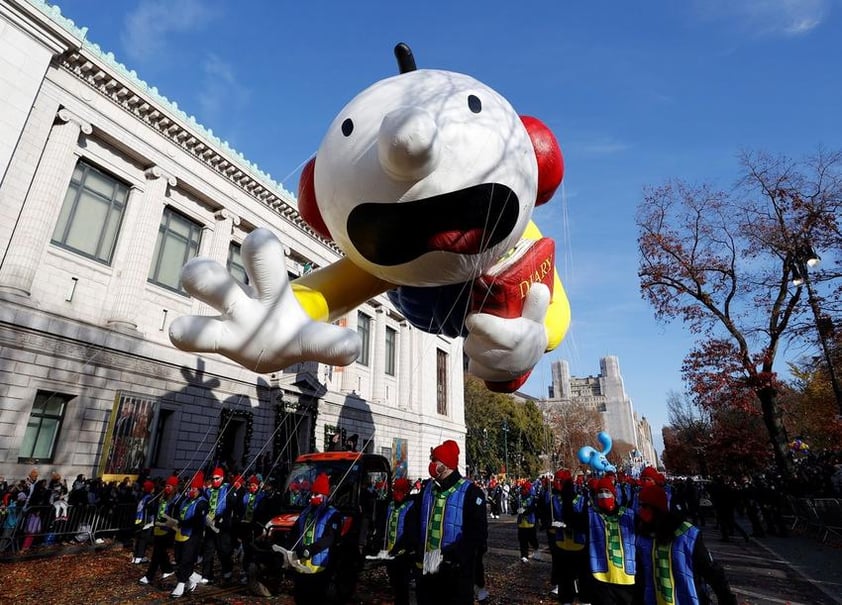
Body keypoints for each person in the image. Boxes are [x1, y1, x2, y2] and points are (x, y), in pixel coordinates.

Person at [635, 484, 738, 605]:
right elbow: (641, 576)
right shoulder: (643, 535)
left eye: (645, 506)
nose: (641, 511)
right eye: (640, 505)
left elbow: (711, 570)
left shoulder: (687, 535)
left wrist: (726, 598)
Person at [415, 439, 488, 605]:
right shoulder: (427, 489)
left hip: (455, 572)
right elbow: (415, 520)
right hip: (428, 565)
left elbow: (477, 534)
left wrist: (453, 557)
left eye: (434, 460)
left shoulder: (471, 492)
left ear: (445, 464)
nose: (431, 463)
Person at [288, 472, 343, 605]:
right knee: (300, 598)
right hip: (301, 567)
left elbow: (330, 538)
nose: (312, 497)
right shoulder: (305, 512)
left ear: (324, 496)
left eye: (316, 494)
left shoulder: (332, 515)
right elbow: (295, 532)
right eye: (312, 494)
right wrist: (290, 549)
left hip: (320, 568)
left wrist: (311, 549)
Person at [584, 475, 637, 605]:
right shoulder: (591, 514)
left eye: (607, 492)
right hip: (602, 578)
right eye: (600, 492)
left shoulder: (630, 515)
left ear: (614, 494)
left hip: (628, 579)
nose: (603, 495)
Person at [170, 471, 209, 598]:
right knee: (178, 558)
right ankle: (193, 577)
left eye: (193, 489)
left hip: (193, 535)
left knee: (187, 559)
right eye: (190, 488)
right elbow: (177, 510)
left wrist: (183, 522)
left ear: (199, 490)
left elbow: (197, 519)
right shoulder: (185, 500)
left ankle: (181, 584)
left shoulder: (202, 503)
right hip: (180, 533)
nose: (191, 491)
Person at [381, 477, 418, 605]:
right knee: (395, 585)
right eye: (395, 490)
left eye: (400, 491)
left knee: (402, 588)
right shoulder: (390, 506)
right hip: (389, 553)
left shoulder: (410, 506)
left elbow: (410, 533)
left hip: (403, 555)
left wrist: (400, 548)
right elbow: (384, 526)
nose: (397, 493)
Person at [139, 476, 178, 586]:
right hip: (158, 528)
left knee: (157, 553)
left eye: (169, 486)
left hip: (167, 529)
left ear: (174, 487)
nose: (167, 488)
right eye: (166, 486)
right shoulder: (161, 497)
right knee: (160, 552)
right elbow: (155, 509)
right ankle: (168, 569)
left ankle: (149, 576)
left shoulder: (176, 499)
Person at [201, 466, 235, 584]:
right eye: (213, 478)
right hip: (210, 525)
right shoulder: (210, 490)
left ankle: (227, 571)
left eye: (217, 479)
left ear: (222, 478)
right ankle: (207, 575)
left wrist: (222, 518)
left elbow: (232, 505)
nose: (215, 481)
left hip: (222, 526)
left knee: (223, 550)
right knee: (208, 550)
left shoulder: (228, 489)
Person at [132, 479, 156, 564]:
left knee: (139, 539)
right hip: (146, 522)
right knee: (143, 539)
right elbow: (151, 510)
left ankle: (135, 556)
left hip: (138, 520)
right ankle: (139, 557)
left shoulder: (141, 496)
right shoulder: (150, 498)